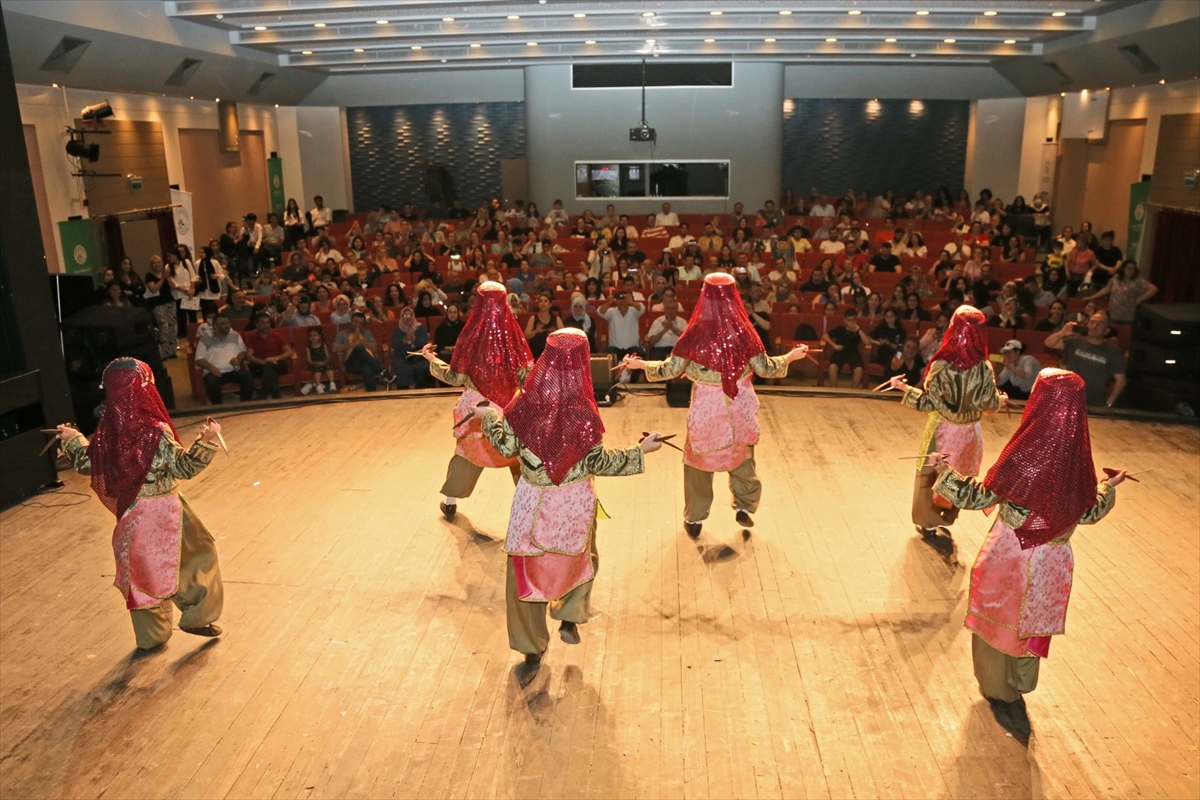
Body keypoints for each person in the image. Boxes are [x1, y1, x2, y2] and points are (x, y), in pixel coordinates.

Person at [928, 370, 1126, 730]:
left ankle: (997, 688)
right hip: (1052, 562)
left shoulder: (1023, 455)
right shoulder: (1078, 462)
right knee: (1029, 624)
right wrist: (1109, 486)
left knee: (998, 623)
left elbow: (979, 496)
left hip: (1011, 556)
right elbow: (1091, 512)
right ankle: (1019, 685)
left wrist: (946, 472)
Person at [478, 329, 662, 668]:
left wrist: (488, 416)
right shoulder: (584, 414)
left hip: (531, 504)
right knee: (582, 559)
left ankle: (530, 643)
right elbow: (599, 462)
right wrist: (641, 451)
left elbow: (504, 447)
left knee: (524, 571)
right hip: (574, 504)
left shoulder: (524, 405)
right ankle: (570, 613)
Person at [55, 358, 225, 650]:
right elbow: (183, 468)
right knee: (198, 556)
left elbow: (88, 463)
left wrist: (73, 439)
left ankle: (152, 637)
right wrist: (206, 441)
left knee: (141, 575)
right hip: (167, 510)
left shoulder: (109, 427)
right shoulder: (154, 431)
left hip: (133, 516)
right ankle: (199, 615)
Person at [623, 274, 809, 538]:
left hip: (707, 410)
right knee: (742, 457)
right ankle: (745, 505)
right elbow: (766, 368)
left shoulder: (696, 333)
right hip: (739, 407)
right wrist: (790, 356)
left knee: (699, 462)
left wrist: (640, 365)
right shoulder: (745, 331)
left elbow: (670, 369)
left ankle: (695, 518)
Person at [888, 306, 1004, 542]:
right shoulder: (984, 369)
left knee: (930, 474)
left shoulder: (942, 367)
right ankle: (946, 517)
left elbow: (927, 403)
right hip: (970, 433)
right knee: (960, 475)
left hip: (943, 430)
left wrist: (904, 389)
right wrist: (1000, 400)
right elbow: (989, 406)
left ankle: (928, 522)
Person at [422, 281, 535, 521]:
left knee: (466, 454)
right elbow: (527, 375)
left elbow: (455, 376)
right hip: (509, 407)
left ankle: (451, 502)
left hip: (477, 408)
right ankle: (529, 504)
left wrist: (432, 359)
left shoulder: (469, 336)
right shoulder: (514, 335)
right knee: (517, 456)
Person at [1045, 310, 1127, 407]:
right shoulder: (1074, 342)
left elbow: (1121, 380)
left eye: (1100, 323)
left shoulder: (1113, 351)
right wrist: (1062, 333)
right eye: (1092, 322)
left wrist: (1109, 404)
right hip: (1067, 400)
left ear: (1107, 330)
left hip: (1094, 404)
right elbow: (1049, 343)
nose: (1094, 326)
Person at [194, 314, 254, 404]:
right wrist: (211, 368)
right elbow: (199, 359)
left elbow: (243, 352)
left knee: (247, 377)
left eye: (228, 323)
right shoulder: (205, 339)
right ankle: (218, 406)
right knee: (211, 383)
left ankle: (245, 404)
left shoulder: (235, 335)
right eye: (223, 323)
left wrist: (238, 359)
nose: (227, 325)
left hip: (234, 369)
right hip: (214, 372)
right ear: (215, 326)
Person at [1086, 259, 1157, 325]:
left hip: (1128, 315)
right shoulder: (1116, 279)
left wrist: (1141, 298)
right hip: (1113, 313)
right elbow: (1106, 289)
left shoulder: (1138, 281)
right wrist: (1092, 297)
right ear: (1123, 269)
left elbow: (1153, 289)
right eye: (1129, 269)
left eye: (1133, 269)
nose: (1131, 271)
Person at [243, 312, 294, 400]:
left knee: (270, 366)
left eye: (268, 322)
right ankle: (277, 398)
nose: (266, 325)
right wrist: (262, 362)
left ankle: (263, 394)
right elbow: (249, 355)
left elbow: (289, 352)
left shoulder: (276, 335)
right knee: (270, 372)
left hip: (277, 364)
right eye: (262, 323)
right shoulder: (252, 337)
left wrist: (276, 358)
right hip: (260, 365)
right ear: (257, 325)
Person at [333, 311, 387, 391]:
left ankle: (372, 395)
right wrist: (352, 345)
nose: (357, 325)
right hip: (351, 363)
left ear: (363, 325)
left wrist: (362, 341)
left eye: (360, 323)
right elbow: (335, 348)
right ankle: (382, 371)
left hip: (367, 362)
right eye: (355, 322)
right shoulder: (343, 333)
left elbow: (374, 348)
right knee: (358, 348)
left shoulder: (367, 333)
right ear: (351, 321)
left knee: (367, 368)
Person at [822, 309, 871, 389]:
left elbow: (867, 342)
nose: (851, 322)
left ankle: (853, 391)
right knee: (832, 367)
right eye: (849, 320)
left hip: (853, 353)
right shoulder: (840, 329)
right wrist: (834, 345)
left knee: (859, 369)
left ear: (856, 320)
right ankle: (834, 389)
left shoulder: (859, 331)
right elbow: (825, 336)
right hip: (840, 352)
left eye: (853, 320)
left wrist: (858, 330)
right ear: (845, 321)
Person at [390, 307, 431, 389]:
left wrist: (414, 339)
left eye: (410, 315)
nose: (408, 318)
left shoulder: (420, 328)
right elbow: (395, 346)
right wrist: (404, 340)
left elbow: (424, 344)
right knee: (401, 367)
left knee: (424, 366)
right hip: (402, 357)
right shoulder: (397, 330)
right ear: (401, 318)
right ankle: (403, 394)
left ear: (414, 316)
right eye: (405, 316)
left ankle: (421, 392)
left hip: (418, 356)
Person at [301, 327, 336, 395]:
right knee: (317, 369)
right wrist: (317, 363)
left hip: (324, 362)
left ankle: (332, 383)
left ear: (319, 336)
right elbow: (309, 360)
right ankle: (318, 385)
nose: (313, 338)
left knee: (329, 367)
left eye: (315, 335)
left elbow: (328, 356)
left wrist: (324, 362)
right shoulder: (308, 347)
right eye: (311, 336)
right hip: (315, 364)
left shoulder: (323, 345)